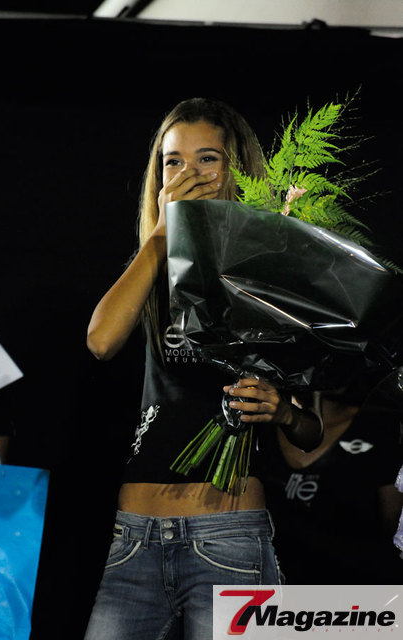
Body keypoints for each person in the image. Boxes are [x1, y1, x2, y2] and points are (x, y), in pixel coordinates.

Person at [84, 97, 323, 640]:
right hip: (135, 537)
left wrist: (282, 411)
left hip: (228, 535)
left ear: (236, 169)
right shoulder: (155, 264)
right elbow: (100, 341)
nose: (188, 174)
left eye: (207, 159)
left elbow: (308, 437)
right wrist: (162, 236)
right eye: (173, 162)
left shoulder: (271, 270)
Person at [259, 384, 403, 584]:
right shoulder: (262, 427)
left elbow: (392, 523)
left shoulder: (377, 426)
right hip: (275, 584)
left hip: (352, 585)